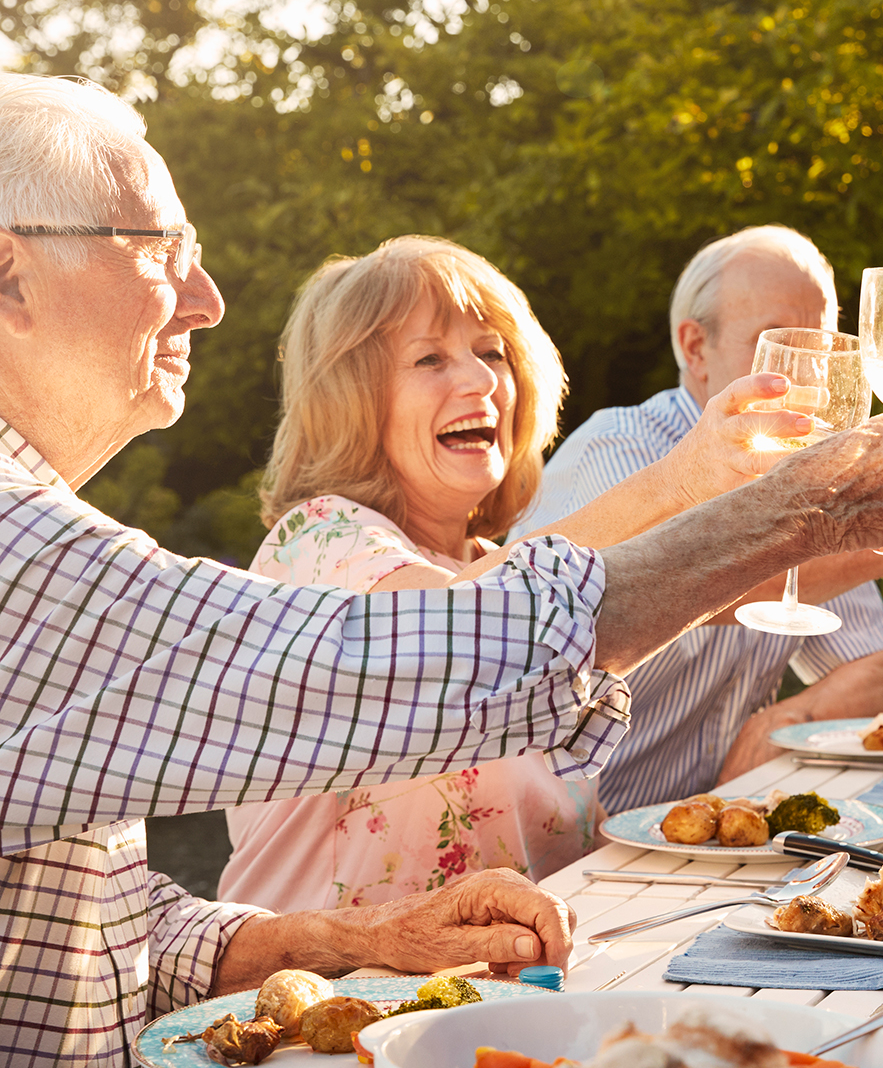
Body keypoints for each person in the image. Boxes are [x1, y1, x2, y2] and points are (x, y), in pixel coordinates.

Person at [0, 75, 883, 1066]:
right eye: (162, 251)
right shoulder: (33, 548)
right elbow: (435, 657)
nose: (209, 299)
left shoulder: (44, 533)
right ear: (10, 274)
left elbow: (99, 926)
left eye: (491, 353)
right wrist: (782, 507)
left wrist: (358, 940)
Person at [215, 236, 822, 913]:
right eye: (430, 358)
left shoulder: (493, 560)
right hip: (330, 1000)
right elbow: (464, 622)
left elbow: (696, 596)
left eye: (492, 352)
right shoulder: (317, 543)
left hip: (517, 990)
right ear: (352, 398)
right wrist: (680, 478)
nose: (480, 381)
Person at [510, 225, 883, 804]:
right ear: (696, 348)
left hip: (694, 835)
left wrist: (783, 720)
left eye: (825, 346)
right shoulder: (621, 448)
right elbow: (647, 592)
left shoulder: (811, 479)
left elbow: (872, 668)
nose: (811, 377)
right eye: (777, 347)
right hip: (555, 835)